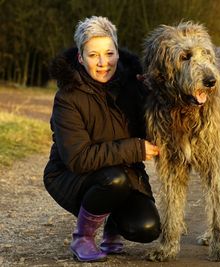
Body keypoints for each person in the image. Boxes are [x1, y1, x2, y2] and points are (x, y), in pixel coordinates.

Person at [43, 16, 161, 262]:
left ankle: (112, 225)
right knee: (113, 180)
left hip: (123, 173)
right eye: (93, 55)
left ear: (118, 52)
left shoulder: (134, 83)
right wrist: (134, 149)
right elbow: (78, 158)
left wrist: (156, 94)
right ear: (80, 57)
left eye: (109, 53)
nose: (103, 63)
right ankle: (83, 238)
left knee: (147, 228)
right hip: (71, 175)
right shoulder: (68, 97)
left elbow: (151, 132)